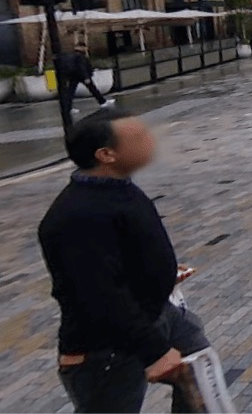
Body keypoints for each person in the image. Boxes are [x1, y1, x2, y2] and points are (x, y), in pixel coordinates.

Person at [39, 109, 216, 413]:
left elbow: (118, 254)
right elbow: (97, 295)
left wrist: (158, 272)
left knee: (200, 372)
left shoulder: (119, 189)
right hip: (108, 345)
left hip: (156, 314)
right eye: (139, 137)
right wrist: (154, 352)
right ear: (106, 154)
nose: (151, 140)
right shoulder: (74, 217)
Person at [59, 42, 113, 119]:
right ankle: (102, 102)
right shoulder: (80, 56)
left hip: (73, 76)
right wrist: (86, 77)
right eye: (85, 47)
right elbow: (82, 67)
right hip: (81, 76)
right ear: (82, 47)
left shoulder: (72, 55)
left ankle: (68, 108)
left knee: (70, 92)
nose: (86, 49)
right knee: (93, 89)